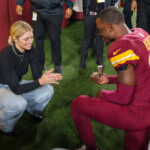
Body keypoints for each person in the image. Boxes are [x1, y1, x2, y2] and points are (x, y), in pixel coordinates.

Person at [71, 6, 150, 150]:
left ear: (110, 27)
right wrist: (110, 79)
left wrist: (102, 94)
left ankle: (90, 148)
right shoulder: (141, 33)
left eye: (100, 30)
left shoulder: (121, 48)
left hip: (138, 113)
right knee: (135, 145)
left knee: (78, 104)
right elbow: (140, 72)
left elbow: (123, 98)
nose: (99, 34)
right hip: (147, 108)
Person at [0, 21, 62, 136]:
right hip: (2, 88)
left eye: (32, 37)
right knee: (20, 103)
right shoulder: (6, 55)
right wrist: (39, 81)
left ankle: (32, 112)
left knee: (48, 89)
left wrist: (44, 78)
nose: (30, 41)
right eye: (26, 38)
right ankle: (4, 127)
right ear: (15, 39)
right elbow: (17, 89)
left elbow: (37, 76)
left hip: (16, 84)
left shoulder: (31, 50)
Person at [16, 0, 73, 73]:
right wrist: (20, 3)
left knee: (55, 39)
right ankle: (40, 63)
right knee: (38, 38)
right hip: (36, 12)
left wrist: (69, 6)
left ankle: (58, 64)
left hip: (54, 12)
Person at [80, 0, 114, 69]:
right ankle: (82, 62)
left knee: (99, 38)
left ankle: (100, 61)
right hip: (89, 13)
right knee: (88, 37)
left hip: (102, 14)